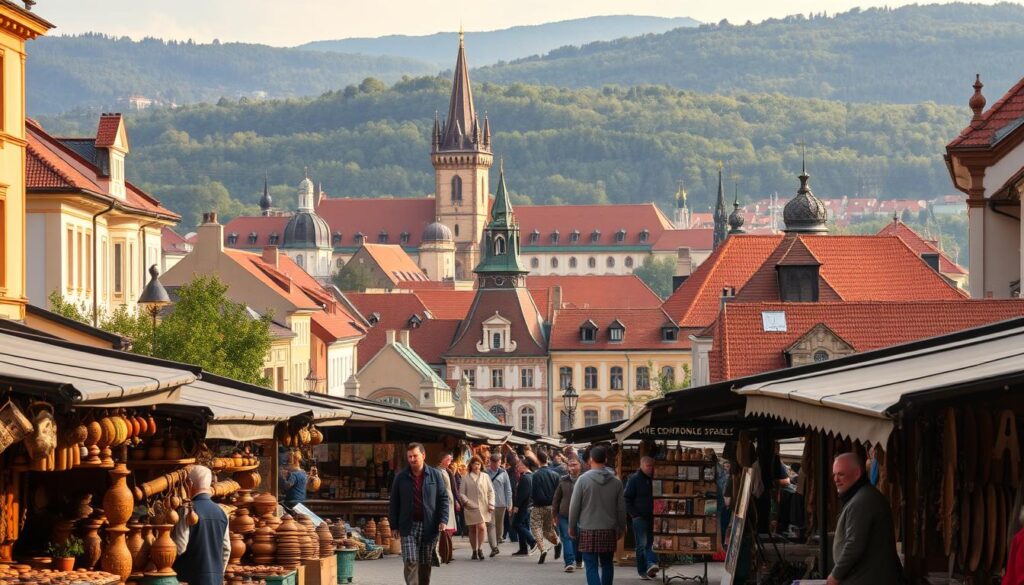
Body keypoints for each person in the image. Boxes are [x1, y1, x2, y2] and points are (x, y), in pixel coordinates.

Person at [827, 452, 902, 585]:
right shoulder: (861, 496)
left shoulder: (862, 500)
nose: (836, 479)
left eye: (841, 474)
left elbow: (853, 545)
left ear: (857, 474)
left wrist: (835, 576)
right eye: (835, 474)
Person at [389, 443, 450, 585]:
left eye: (415, 456)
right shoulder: (400, 477)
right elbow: (394, 503)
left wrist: (443, 519)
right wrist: (394, 525)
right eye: (409, 456)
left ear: (423, 455)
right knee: (410, 560)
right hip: (408, 526)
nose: (412, 459)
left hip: (429, 526)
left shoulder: (435, 475)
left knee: (424, 563)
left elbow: (443, 498)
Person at [569, 445, 626, 585]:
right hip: (609, 529)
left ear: (591, 459)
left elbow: (574, 506)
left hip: (588, 528)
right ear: (605, 459)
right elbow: (621, 508)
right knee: (607, 564)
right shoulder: (616, 482)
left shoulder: (583, 480)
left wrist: (571, 526)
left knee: (591, 565)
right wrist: (621, 527)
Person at [173, 466, 230, 585]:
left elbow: (180, 547)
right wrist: (217, 573)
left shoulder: (187, 510)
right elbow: (226, 549)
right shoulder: (222, 512)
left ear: (190, 483)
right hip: (216, 579)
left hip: (190, 578)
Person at [625, 456, 659, 580]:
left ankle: (651, 566)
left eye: (652, 466)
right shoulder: (634, 479)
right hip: (639, 517)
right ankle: (643, 570)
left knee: (651, 542)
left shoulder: (654, 477)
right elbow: (626, 498)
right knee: (642, 544)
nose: (651, 468)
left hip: (652, 516)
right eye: (648, 466)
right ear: (642, 465)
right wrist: (634, 514)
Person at [459, 456, 495, 560]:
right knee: (472, 529)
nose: (476, 466)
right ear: (471, 465)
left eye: (478, 464)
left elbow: (491, 491)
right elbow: (461, 493)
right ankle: (474, 550)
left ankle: (480, 549)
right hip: (470, 507)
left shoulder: (485, 476)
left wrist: (491, 504)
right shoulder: (465, 478)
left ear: (481, 465)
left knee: (482, 527)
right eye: (474, 464)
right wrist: (466, 502)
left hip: (484, 507)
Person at [530, 451, 562, 564]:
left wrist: (533, 502)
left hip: (538, 505)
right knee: (548, 529)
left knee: (536, 527)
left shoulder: (536, 475)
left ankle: (542, 549)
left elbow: (534, 492)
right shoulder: (555, 475)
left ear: (538, 460)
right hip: (551, 506)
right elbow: (559, 492)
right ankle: (557, 542)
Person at [551, 457, 581, 573]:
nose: (572, 467)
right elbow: (556, 498)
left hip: (580, 515)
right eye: (570, 465)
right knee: (567, 537)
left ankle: (578, 559)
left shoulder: (584, 480)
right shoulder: (563, 480)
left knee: (577, 538)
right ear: (567, 467)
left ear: (580, 465)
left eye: (575, 464)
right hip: (564, 514)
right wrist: (554, 514)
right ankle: (569, 562)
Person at [486, 452, 513, 557]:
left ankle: (496, 542)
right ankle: (494, 547)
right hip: (489, 504)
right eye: (497, 462)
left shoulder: (503, 473)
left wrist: (509, 503)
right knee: (490, 525)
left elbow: (508, 489)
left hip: (501, 504)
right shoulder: (485, 473)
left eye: (499, 462)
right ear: (491, 462)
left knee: (499, 526)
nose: (499, 464)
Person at [510, 458, 538, 556]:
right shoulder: (532, 476)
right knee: (524, 525)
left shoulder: (525, 477)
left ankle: (532, 541)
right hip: (529, 505)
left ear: (525, 466)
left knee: (516, 524)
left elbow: (522, 494)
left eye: (519, 465)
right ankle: (523, 548)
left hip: (523, 506)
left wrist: (516, 506)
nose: (517, 467)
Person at [437, 454, 458, 538]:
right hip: (444, 499)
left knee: (449, 523)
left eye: (450, 459)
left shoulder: (447, 471)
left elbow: (453, 488)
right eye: (447, 459)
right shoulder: (438, 471)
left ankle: (447, 543)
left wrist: (456, 499)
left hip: (450, 499)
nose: (450, 461)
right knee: (445, 522)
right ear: (442, 459)